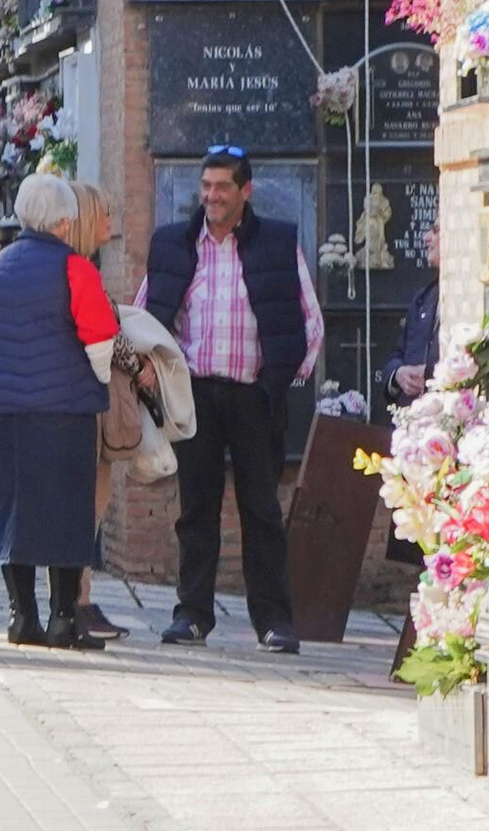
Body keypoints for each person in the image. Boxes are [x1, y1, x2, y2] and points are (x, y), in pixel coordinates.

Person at [136, 146, 323, 654]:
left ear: (246, 191)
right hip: (195, 394)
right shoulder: (174, 244)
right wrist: (152, 368)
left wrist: (280, 382)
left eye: (222, 187)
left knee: (261, 510)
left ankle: (274, 621)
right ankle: (192, 614)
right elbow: (146, 317)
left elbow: (310, 322)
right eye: (206, 187)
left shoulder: (278, 244)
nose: (212, 196)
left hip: (254, 395)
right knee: (195, 509)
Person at [0, 174, 118, 651]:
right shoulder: (75, 270)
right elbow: (100, 338)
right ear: (66, 222)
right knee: (68, 514)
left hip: (6, 411)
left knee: (14, 511)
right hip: (65, 410)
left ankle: (20, 616)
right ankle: (63, 619)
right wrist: (99, 378)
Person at [67, 181, 135, 642]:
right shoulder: (80, 271)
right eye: (105, 214)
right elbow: (107, 336)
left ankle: (77, 598)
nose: (112, 224)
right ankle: (78, 600)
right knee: (88, 507)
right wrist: (142, 366)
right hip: (88, 406)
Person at [383, 223, 440, 406]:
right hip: (413, 416)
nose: (426, 237)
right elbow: (397, 353)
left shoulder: (472, 297)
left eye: (436, 230)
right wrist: (398, 374)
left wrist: (432, 374)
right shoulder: (424, 298)